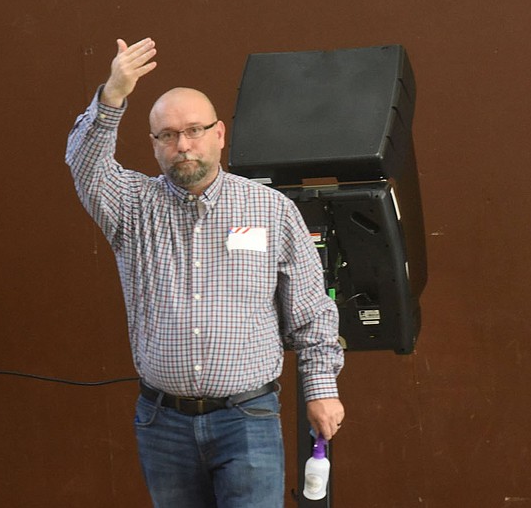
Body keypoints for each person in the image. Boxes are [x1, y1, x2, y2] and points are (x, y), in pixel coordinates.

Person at [66, 37, 345, 508]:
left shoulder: (270, 210)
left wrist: (321, 389)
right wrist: (113, 94)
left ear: (219, 134)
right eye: (168, 136)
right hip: (163, 423)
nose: (183, 146)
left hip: (247, 418)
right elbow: (85, 165)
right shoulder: (132, 208)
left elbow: (312, 313)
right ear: (154, 144)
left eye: (194, 131)